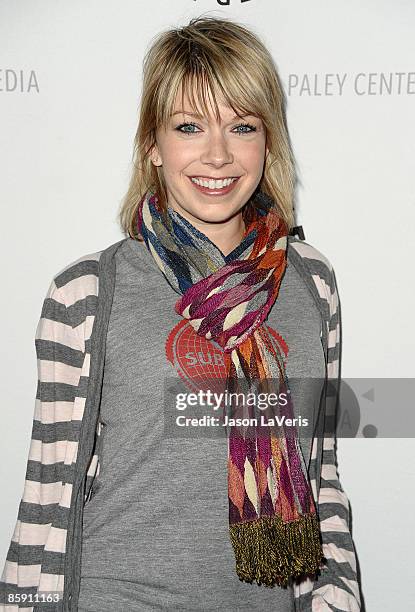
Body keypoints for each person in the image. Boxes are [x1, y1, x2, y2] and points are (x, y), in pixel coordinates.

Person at [0, 15, 362, 612]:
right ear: (153, 144)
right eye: (189, 126)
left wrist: (336, 596)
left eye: (241, 127)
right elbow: (47, 488)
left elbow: (318, 468)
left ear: (267, 141)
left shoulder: (311, 281)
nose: (217, 155)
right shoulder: (87, 292)